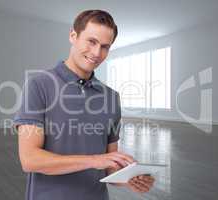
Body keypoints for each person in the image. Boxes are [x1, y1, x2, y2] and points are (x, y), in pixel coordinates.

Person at [14, 9, 154, 200]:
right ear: (73, 36)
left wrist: (128, 179)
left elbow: (108, 166)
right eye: (92, 41)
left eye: (105, 46)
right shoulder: (39, 85)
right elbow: (30, 160)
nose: (97, 53)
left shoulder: (111, 98)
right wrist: (94, 160)